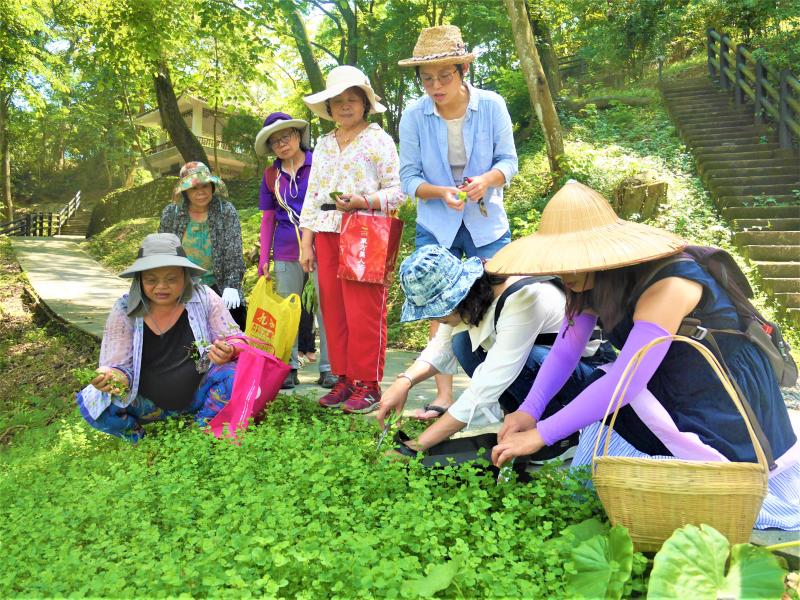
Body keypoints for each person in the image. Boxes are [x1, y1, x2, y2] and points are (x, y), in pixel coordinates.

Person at [489, 181, 799, 530]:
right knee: (594, 392)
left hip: (722, 389)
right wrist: (528, 411)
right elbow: (564, 352)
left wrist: (540, 434)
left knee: (607, 396)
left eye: (574, 261)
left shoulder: (668, 284)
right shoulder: (593, 282)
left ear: (602, 254)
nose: (565, 273)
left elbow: (627, 381)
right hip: (671, 377)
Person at [375, 245, 611, 457]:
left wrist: (415, 446)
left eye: (437, 311)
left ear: (459, 297)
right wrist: (404, 382)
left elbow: (486, 386)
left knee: (529, 359)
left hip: (587, 373)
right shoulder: (476, 295)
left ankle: (561, 439)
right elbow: (440, 346)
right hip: (543, 369)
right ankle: (519, 422)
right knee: (462, 344)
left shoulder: (523, 298)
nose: (435, 319)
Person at [398, 25, 519, 420]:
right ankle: (444, 395)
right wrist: (441, 192)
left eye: (444, 76)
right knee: (439, 304)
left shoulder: (492, 105)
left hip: (487, 221)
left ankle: (506, 392)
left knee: (503, 298)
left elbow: (509, 162)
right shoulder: (415, 116)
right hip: (437, 221)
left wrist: (486, 180)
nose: (435, 85)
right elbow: (409, 178)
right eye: (427, 78)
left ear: (463, 70)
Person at [299, 65, 404, 414]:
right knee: (335, 310)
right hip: (327, 232)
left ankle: (368, 384)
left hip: (364, 232)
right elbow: (313, 194)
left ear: (365, 103)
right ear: (329, 107)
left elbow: (397, 192)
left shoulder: (379, 139)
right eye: (338, 101)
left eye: (352, 99)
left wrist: (364, 201)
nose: (345, 106)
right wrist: (306, 242)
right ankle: (344, 378)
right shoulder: (325, 144)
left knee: (364, 311)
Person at [75, 233, 248, 441]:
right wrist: (111, 377)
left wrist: (230, 350)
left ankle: (202, 428)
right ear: (139, 280)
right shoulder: (124, 310)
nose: (161, 287)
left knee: (237, 374)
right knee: (94, 402)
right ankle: (139, 439)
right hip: (146, 403)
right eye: (151, 280)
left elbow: (237, 339)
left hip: (198, 394)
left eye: (171, 279)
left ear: (185, 276)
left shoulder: (204, 297)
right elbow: (116, 365)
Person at [254, 112, 335, 390]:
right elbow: (267, 219)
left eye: (285, 137)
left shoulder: (319, 165)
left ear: (298, 136)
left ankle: (329, 367)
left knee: (326, 307)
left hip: (322, 248)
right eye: (274, 141)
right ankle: (287, 367)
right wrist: (265, 258)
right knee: (286, 310)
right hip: (287, 250)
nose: (281, 144)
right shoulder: (270, 175)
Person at [160, 161, 247, 330]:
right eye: (194, 188)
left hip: (218, 284)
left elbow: (234, 251)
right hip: (181, 286)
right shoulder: (172, 213)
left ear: (212, 186)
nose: (201, 192)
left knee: (234, 327)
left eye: (205, 186)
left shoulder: (225, 211)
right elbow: (162, 251)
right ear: (185, 191)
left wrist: (232, 285)